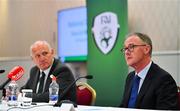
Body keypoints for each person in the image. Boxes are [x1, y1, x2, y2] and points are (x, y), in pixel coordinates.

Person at [119, 32, 178, 110]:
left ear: (146, 49)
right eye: (125, 48)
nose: (126, 52)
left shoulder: (164, 80)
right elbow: (123, 107)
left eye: (131, 47)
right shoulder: (130, 77)